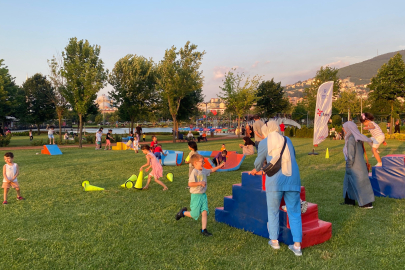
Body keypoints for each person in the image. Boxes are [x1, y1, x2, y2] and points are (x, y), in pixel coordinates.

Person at [249, 120, 303, 256]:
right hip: (292, 179)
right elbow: (293, 157)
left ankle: (274, 241)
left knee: (273, 211)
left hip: (274, 182)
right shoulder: (287, 140)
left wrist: (260, 167)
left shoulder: (264, 142)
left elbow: (257, 164)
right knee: (295, 212)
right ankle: (297, 246)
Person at [175, 154, 225, 236]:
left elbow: (211, 170)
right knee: (195, 214)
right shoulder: (194, 172)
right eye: (201, 162)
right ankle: (182, 213)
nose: (203, 163)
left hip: (203, 195)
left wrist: (220, 166)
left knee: (204, 212)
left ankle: (203, 230)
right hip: (196, 196)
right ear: (195, 163)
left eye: (203, 161)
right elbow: (190, 183)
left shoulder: (203, 170)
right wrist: (200, 183)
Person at [341, 121, 375, 208]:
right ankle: (349, 201)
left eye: (344, 128)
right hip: (358, 164)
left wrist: (349, 166)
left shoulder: (352, 139)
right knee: (348, 183)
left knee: (360, 184)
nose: (343, 129)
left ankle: (366, 204)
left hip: (354, 166)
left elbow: (351, 155)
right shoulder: (357, 137)